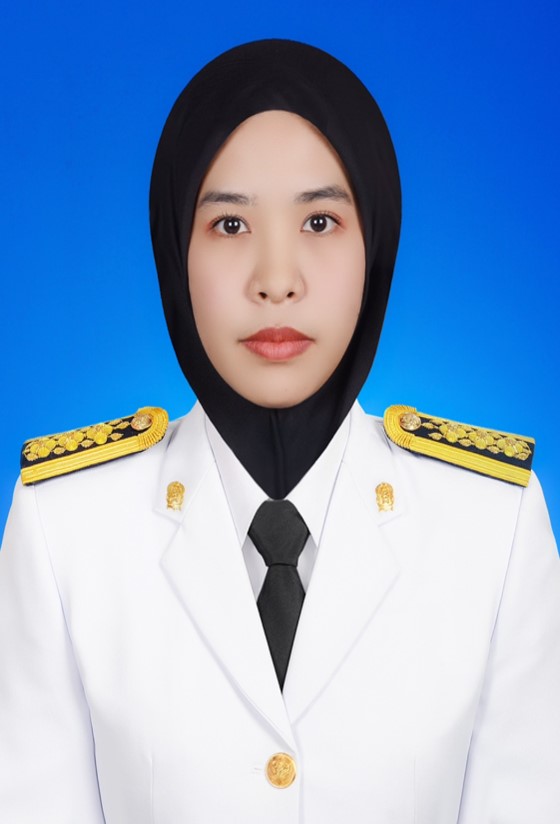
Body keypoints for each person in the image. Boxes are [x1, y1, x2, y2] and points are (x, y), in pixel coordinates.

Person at [1, 39, 559, 823]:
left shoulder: (493, 525)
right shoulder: (66, 528)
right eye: (229, 224)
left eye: (320, 221)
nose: (275, 279)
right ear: (174, 247)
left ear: (376, 245)